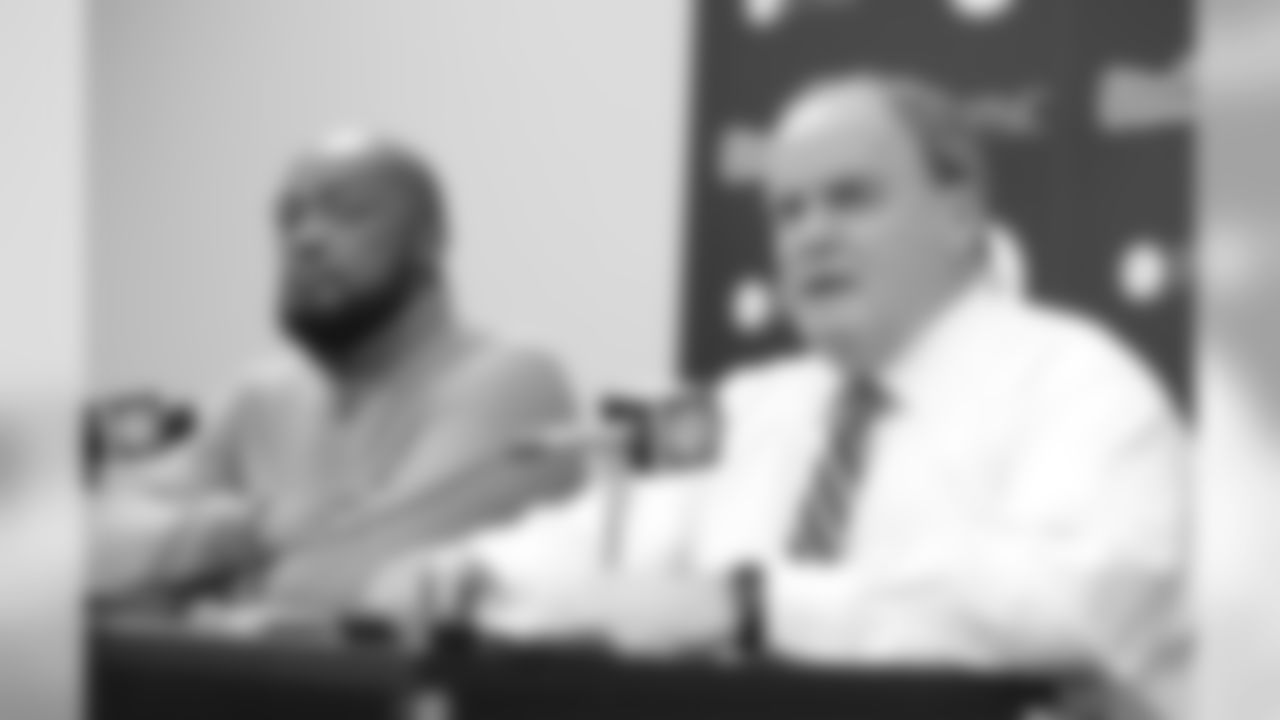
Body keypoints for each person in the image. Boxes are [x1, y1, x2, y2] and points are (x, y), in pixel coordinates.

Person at [363, 73, 1189, 719]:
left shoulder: (1078, 386)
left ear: (961, 214)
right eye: (787, 212)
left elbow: (1075, 607)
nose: (811, 236)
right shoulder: (746, 408)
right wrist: (462, 579)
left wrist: (754, 605)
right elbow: (593, 551)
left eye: (851, 198)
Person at [90, 131, 583, 619]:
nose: (305, 239)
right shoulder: (264, 393)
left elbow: (352, 584)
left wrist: (187, 573)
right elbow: (80, 549)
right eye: (289, 218)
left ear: (429, 239)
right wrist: (249, 529)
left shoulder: (514, 382)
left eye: (348, 212)